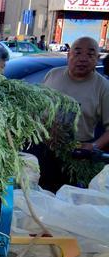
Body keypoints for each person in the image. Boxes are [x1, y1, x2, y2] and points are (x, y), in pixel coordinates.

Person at [34, 37, 109, 191]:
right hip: (44, 149)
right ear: (68, 55)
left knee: (68, 198)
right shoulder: (53, 75)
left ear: (97, 58)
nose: (83, 58)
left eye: (90, 54)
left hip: (77, 155)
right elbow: (36, 108)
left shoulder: (103, 86)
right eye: (78, 52)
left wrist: (93, 147)